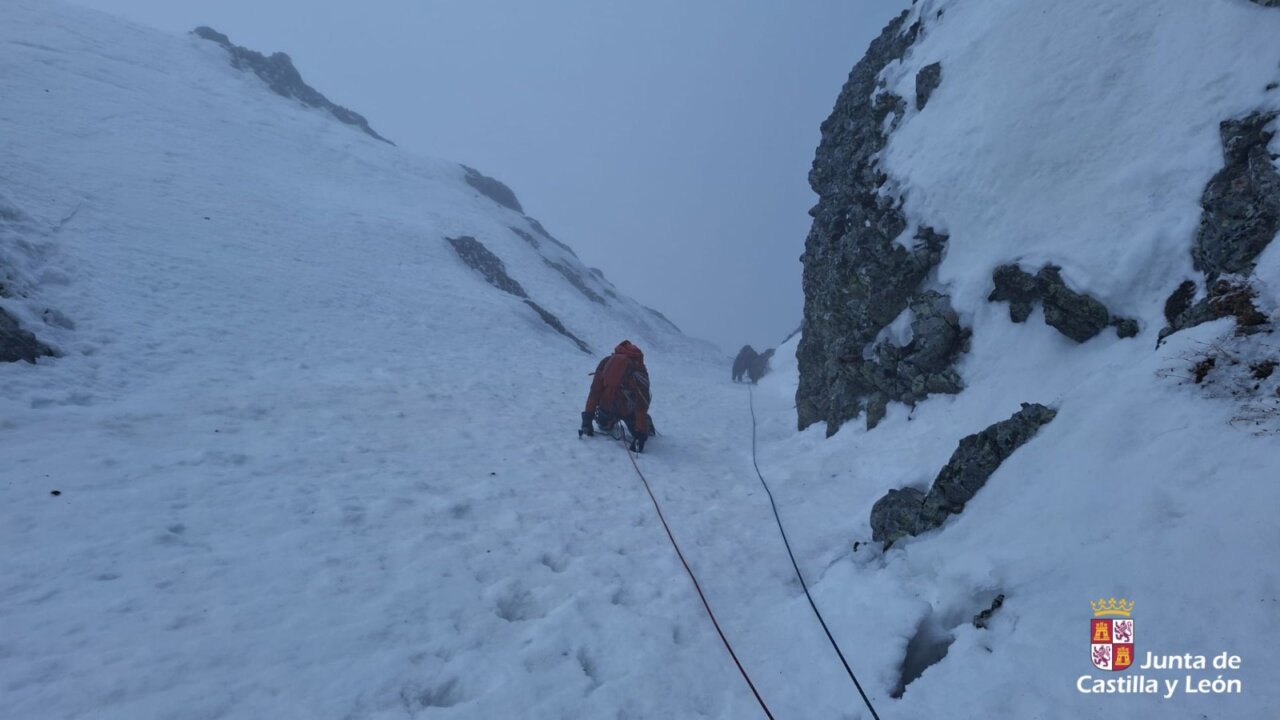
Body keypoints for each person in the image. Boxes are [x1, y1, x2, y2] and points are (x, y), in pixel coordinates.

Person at [580, 340, 652, 452]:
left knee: (605, 426)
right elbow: (641, 405)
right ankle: (644, 424)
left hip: (609, 407)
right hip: (628, 410)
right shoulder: (638, 371)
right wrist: (640, 435)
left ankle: (645, 423)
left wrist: (587, 420)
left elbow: (595, 392)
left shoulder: (606, 363)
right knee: (611, 427)